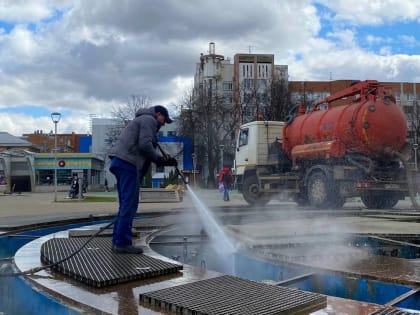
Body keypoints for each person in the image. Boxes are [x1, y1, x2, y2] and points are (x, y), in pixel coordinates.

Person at [108, 105, 177, 254]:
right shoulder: (149, 120)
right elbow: (145, 145)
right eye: (164, 119)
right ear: (158, 114)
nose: (164, 124)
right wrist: (160, 161)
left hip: (121, 162)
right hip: (128, 163)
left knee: (125, 204)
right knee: (129, 204)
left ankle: (118, 241)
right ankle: (122, 243)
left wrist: (162, 159)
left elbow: (145, 147)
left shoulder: (142, 120)